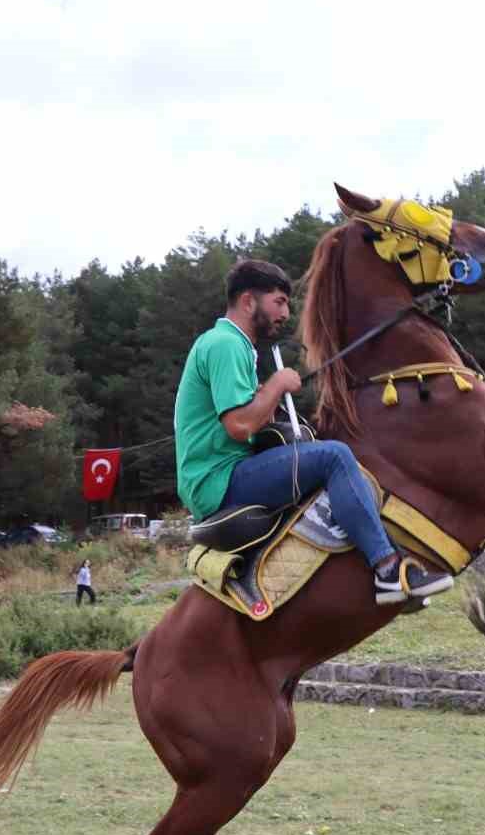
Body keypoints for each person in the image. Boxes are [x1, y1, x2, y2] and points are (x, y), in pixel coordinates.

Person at [174, 259, 453, 605]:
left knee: (322, 451)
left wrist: (265, 397)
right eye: (278, 301)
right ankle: (387, 568)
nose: (286, 312)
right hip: (219, 480)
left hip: (224, 473)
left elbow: (247, 421)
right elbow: (239, 425)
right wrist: (276, 385)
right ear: (248, 301)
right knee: (334, 456)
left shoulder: (235, 346)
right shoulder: (225, 344)